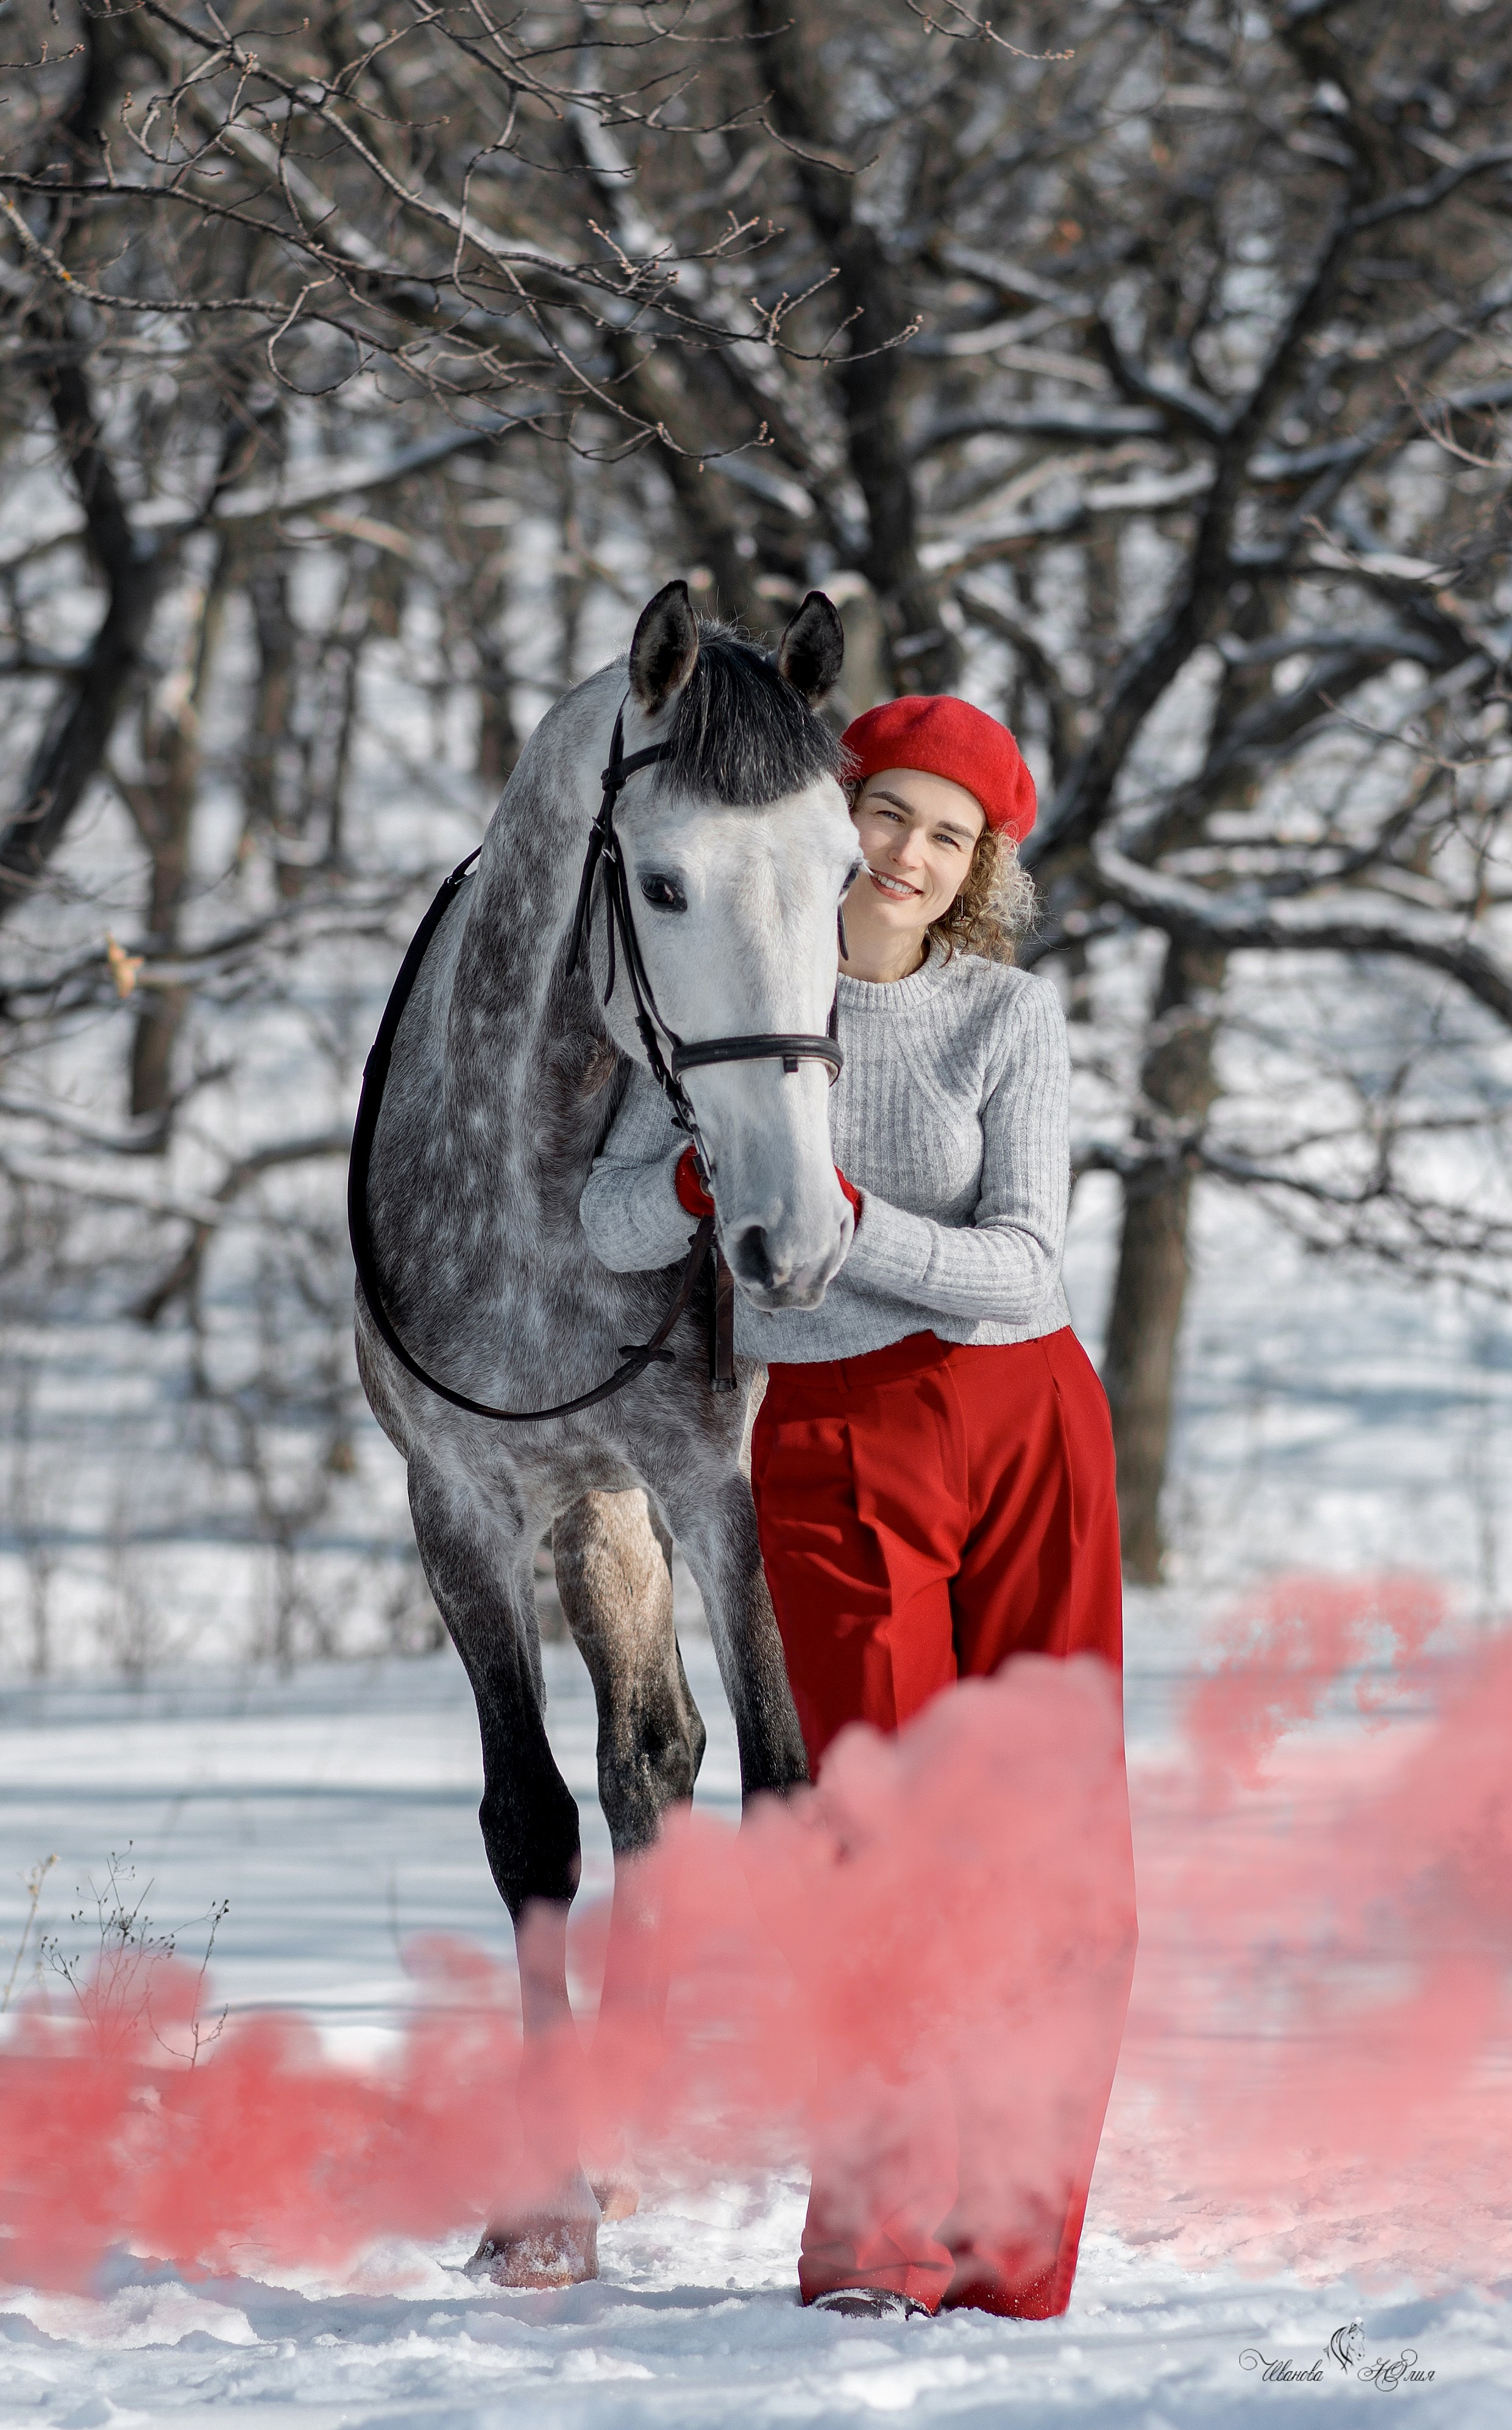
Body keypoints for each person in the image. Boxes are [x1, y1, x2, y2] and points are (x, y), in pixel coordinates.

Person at [580, 692, 1134, 2323]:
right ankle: (877, 2244)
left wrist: (838, 1218)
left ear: (977, 869)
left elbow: (1026, 1262)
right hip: (830, 1439)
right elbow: (614, 1216)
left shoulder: (1002, 1015)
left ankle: (1011, 2247)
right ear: (838, 812)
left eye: (945, 835)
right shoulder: (742, 986)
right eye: (886, 811)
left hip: (1024, 1418)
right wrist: (707, 1174)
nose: (905, 852)